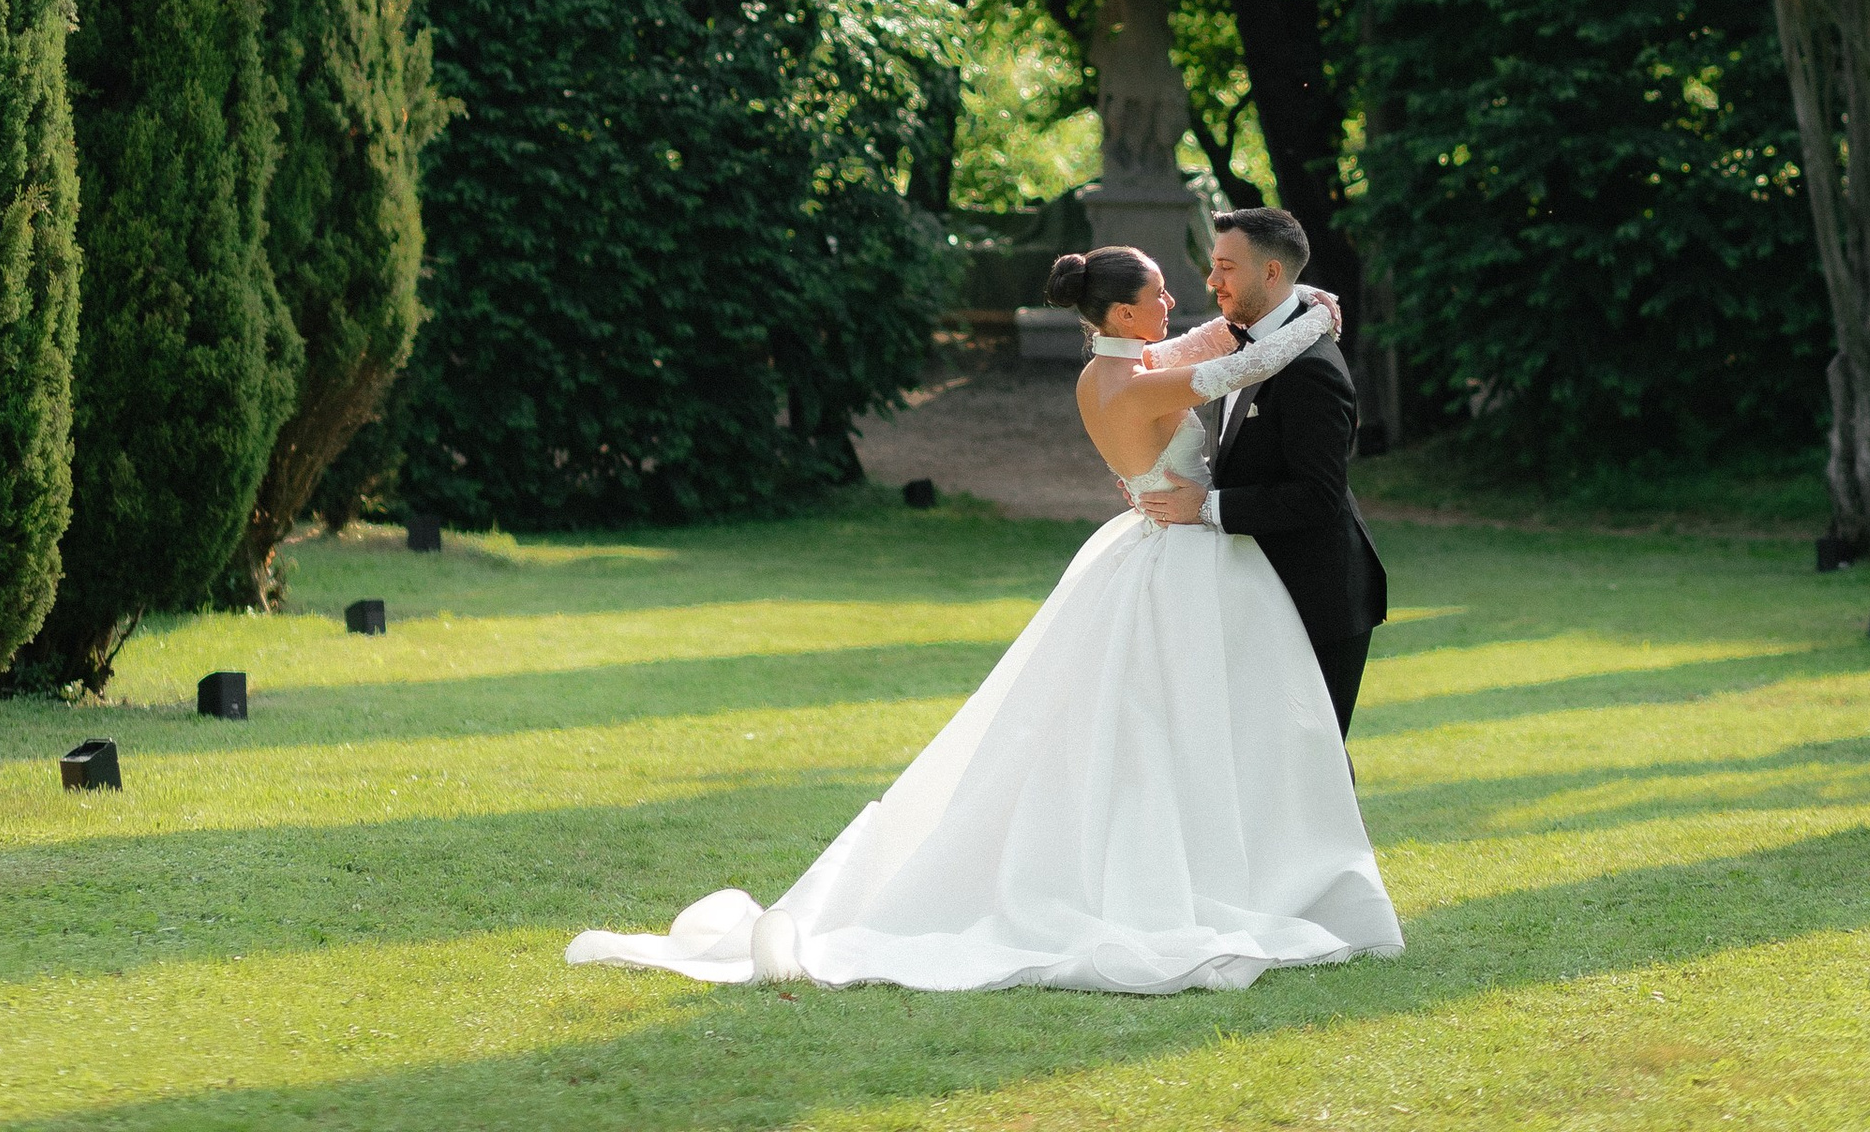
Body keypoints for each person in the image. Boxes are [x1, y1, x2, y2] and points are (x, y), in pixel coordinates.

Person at [564, 237, 1403, 995]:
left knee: (1158, 730)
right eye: (1156, 295)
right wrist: (1315, 321)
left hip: (1150, 551)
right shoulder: (1146, 385)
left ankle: (1228, 864)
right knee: (1167, 728)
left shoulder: (1104, 374)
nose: (1174, 305)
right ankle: (1194, 878)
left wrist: (1295, 308)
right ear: (1120, 313)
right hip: (1179, 559)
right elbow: (1231, 371)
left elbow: (1206, 349)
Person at [1129, 207, 1389, 742]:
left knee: (1312, 765)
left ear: (1271, 274)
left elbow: (1318, 496)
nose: (1212, 280)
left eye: (1226, 267)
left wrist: (1203, 507)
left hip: (1318, 595)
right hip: (1257, 590)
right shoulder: (1246, 341)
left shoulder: (1311, 367)